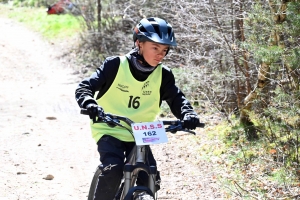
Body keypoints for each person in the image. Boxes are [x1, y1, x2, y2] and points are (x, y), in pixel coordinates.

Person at [75, 17, 200, 200]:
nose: (160, 54)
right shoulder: (115, 65)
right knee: (113, 170)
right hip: (110, 129)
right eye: (155, 48)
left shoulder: (163, 75)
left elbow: (176, 99)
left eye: (164, 50)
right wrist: (89, 103)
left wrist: (188, 113)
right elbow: (84, 87)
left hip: (141, 133)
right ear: (139, 44)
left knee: (150, 178)